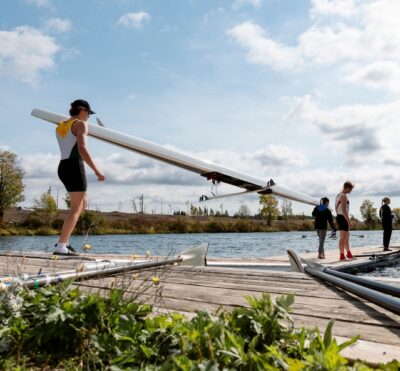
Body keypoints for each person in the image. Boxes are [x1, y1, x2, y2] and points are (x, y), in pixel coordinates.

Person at [54, 99, 105, 255]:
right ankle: (61, 246)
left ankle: (64, 241)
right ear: (82, 110)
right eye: (89, 113)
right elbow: (82, 148)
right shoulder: (81, 125)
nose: (88, 117)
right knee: (76, 208)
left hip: (63, 166)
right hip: (75, 166)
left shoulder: (60, 126)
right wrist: (97, 170)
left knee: (82, 203)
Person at [335, 181, 354, 261]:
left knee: (346, 237)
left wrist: (338, 217)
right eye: (351, 189)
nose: (351, 191)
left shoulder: (338, 195)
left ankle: (349, 254)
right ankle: (342, 256)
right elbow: (343, 210)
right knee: (343, 238)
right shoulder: (343, 196)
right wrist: (348, 221)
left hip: (340, 216)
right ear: (347, 188)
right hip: (343, 217)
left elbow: (336, 208)